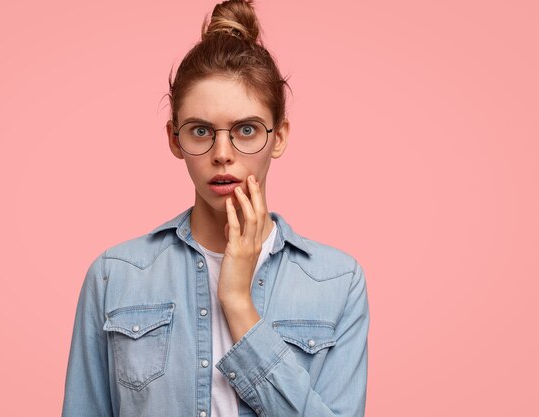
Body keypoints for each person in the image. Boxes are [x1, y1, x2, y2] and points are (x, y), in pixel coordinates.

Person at [61, 1, 369, 416]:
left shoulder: (336, 281)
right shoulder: (114, 276)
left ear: (278, 137)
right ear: (174, 139)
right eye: (201, 131)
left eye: (246, 130)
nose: (222, 154)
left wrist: (237, 302)